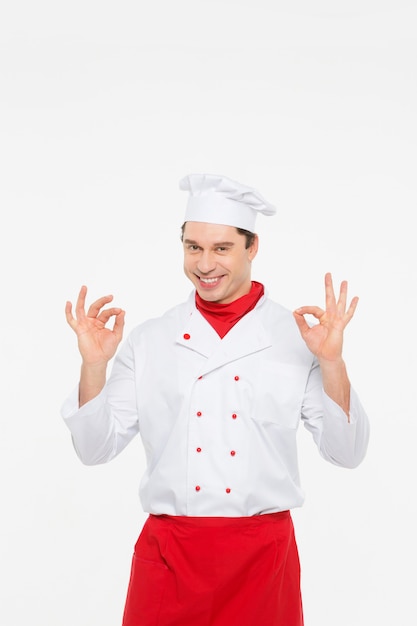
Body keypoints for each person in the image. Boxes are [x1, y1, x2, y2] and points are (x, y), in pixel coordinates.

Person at [61, 173, 370, 626]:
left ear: (252, 247)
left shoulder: (298, 337)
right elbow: (94, 449)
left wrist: (332, 363)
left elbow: (347, 454)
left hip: (262, 559)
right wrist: (93, 367)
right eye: (193, 247)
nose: (205, 264)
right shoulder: (151, 339)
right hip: (171, 557)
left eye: (221, 248)